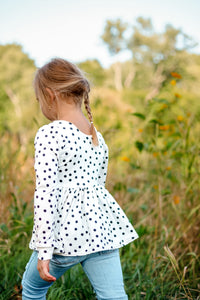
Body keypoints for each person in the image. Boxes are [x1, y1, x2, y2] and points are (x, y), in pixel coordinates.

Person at [22, 58, 139, 300]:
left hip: (64, 235)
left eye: (38, 99)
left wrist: (44, 249)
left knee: (33, 289)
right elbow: (98, 187)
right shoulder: (97, 136)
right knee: (114, 296)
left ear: (49, 94)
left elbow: (46, 192)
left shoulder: (49, 133)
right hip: (102, 231)